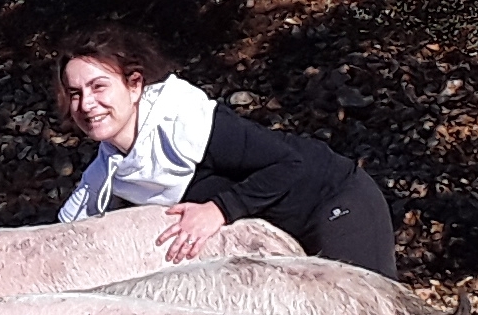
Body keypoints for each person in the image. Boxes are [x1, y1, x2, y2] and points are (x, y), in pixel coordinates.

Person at [55, 27, 396, 277]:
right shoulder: (109, 168)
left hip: (332, 199)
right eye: (74, 93)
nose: (86, 104)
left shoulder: (185, 121)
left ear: (134, 85)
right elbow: (67, 232)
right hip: (277, 243)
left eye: (99, 86)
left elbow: (290, 164)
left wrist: (219, 209)